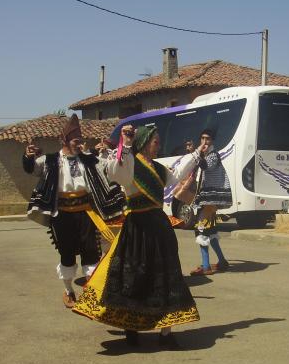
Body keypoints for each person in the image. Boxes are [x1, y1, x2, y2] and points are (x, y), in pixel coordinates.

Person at [73, 124, 205, 348]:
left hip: (159, 228)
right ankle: (131, 327)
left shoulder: (159, 168)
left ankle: (166, 332)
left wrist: (197, 153)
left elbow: (177, 176)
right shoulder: (131, 164)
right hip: (137, 229)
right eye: (155, 142)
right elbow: (118, 174)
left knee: (166, 277)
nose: (158, 146)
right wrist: (126, 144)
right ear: (144, 143)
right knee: (134, 277)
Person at [22, 114, 125, 308]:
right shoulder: (50, 160)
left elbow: (109, 167)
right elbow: (31, 169)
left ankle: (92, 292)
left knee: (91, 253)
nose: (79, 144)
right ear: (64, 140)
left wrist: (112, 153)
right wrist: (28, 156)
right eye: (76, 141)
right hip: (61, 215)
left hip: (86, 213)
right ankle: (69, 291)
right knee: (67, 254)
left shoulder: (89, 159)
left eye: (80, 140)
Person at [190, 129, 232, 276]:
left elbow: (205, 165)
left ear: (212, 140)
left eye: (207, 139)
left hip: (211, 199)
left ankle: (206, 266)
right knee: (211, 230)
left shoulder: (213, 155)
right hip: (209, 200)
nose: (204, 141)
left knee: (201, 230)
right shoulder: (207, 154)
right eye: (202, 138)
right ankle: (222, 261)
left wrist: (194, 152)